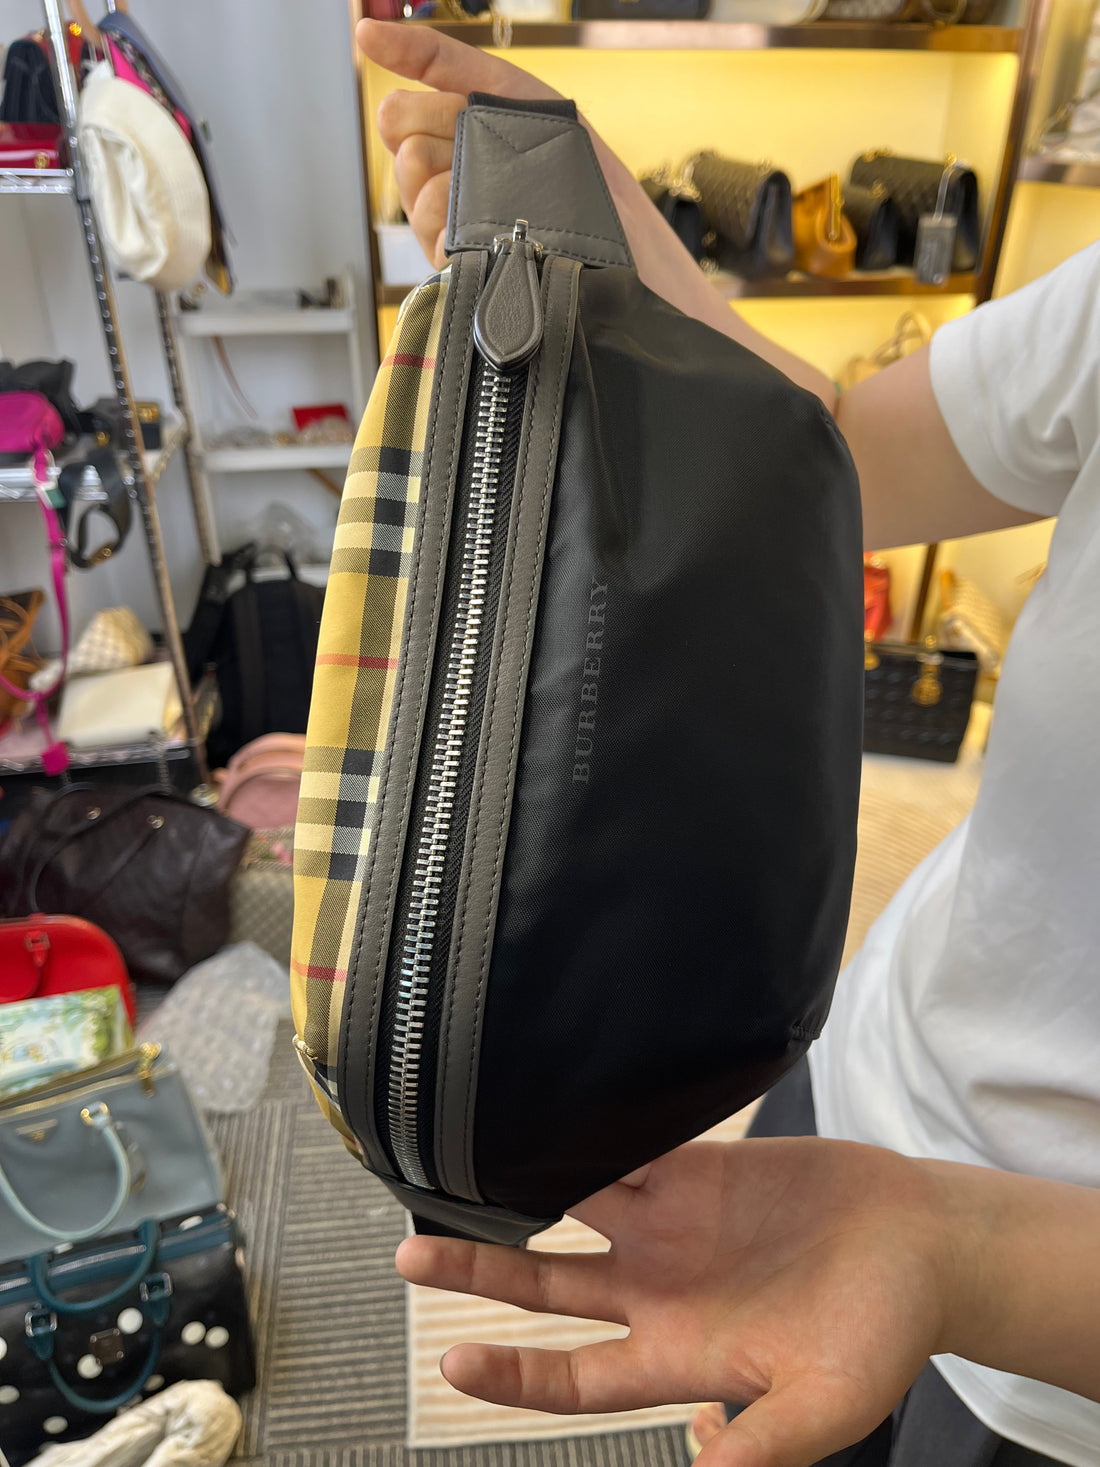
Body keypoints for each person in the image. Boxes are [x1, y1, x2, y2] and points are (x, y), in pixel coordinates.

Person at [356, 20, 1100, 1467]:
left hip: (1057, 1371)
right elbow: (835, 456)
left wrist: (953, 1256)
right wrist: (630, 250)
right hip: (869, 1075)